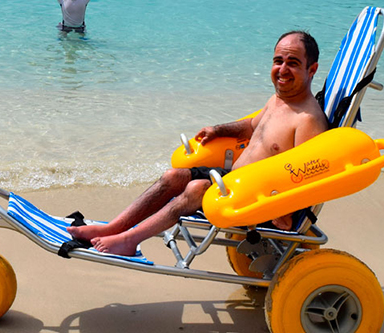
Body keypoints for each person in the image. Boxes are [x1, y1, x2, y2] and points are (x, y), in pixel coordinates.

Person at [68, 31, 329, 256]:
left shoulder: (308, 120)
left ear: (312, 69)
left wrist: (281, 209)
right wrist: (218, 130)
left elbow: (307, 179)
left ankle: (129, 240)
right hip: (234, 181)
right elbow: (251, 127)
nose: (282, 70)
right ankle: (114, 227)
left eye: (293, 63)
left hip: (260, 201)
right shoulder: (279, 100)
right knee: (173, 176)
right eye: (278, 61)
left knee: (196, 188)